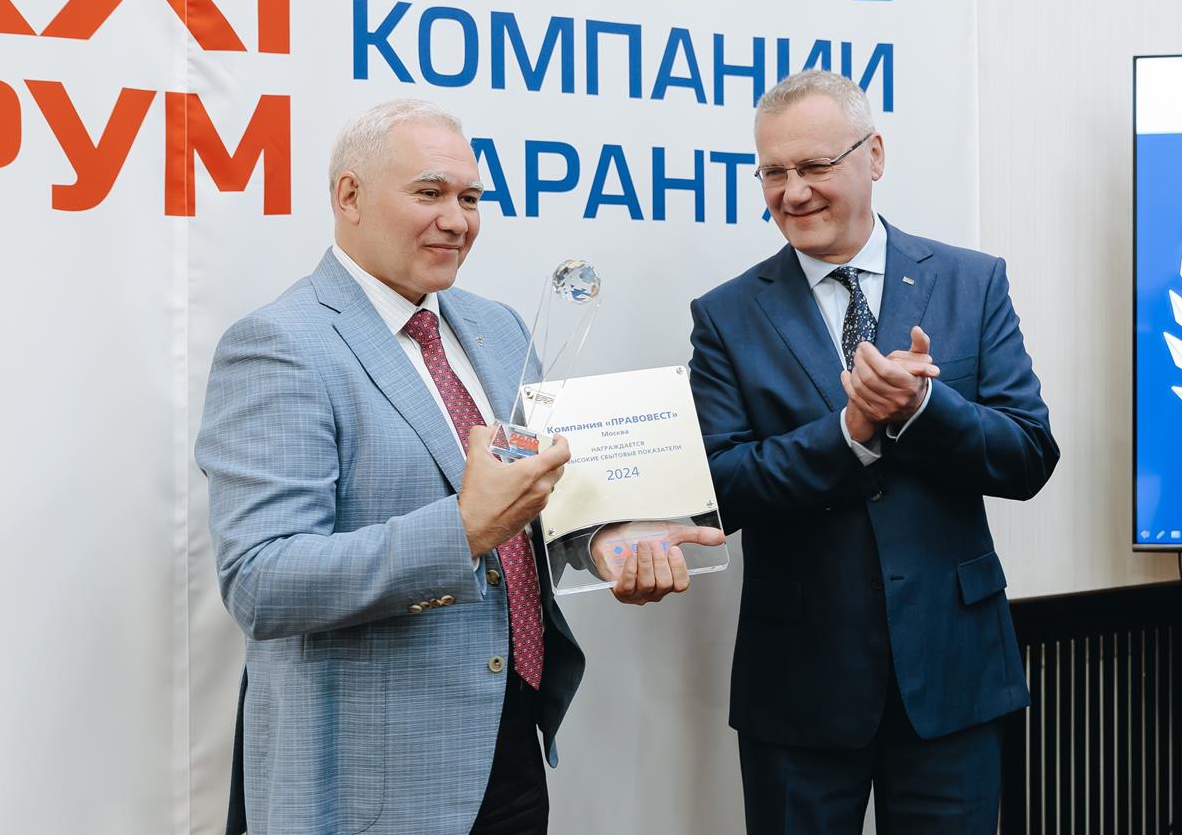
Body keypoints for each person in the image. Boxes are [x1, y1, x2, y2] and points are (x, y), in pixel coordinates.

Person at [196, 99, 716, 835]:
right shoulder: (280, 344)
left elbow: (531, 496)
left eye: (470, 198)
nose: (457, 220)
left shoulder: (497, 327)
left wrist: (599, 539)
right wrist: (463, 530)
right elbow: (261, 580)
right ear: (349, 196)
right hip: (372, 778)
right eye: (429, 193)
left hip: (511, 740)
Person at [688, 70, 1060, 833]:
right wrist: (847, 435)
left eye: (814, 165)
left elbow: (1029, 454)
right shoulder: (726, 315)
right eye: (773, 172)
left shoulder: (972, 282)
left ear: (875, 155)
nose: (792, 192)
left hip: (954, 680)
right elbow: (718, 489)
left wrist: (924, 410)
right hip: (798, 692)